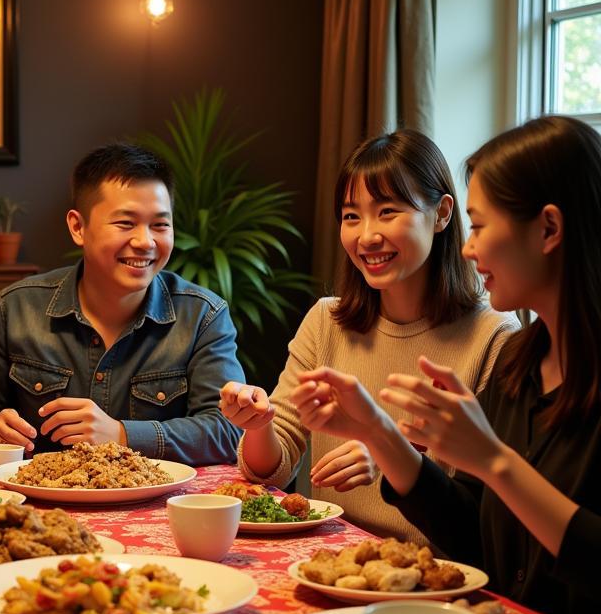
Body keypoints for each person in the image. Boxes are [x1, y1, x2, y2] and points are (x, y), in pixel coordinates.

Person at [291, 116, 601, 614]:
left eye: (480, 226)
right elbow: (472, 540)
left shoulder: (495, 342)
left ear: (548, 229)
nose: (467, 248)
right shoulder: (520, 368)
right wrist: (378, 432)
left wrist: (494, 462)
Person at [219, 130, 518, 541]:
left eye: (388, 211)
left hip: (432, 575)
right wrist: (258, 424)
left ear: (443, 213)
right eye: (351, 216)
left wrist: (386, 452)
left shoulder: (494, 337)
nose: (367, 236)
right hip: (331, 562)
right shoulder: (327, 321)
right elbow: (271, 467)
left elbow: (484, 504)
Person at [0, 142, 244, 465]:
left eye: (160, 225)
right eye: (126, 223)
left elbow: (228, 429)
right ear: (78, 227)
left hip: (156, 509)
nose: (145, 242)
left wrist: (122, 435)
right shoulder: (16, 308)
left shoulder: (203, 316)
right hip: (38, 506)